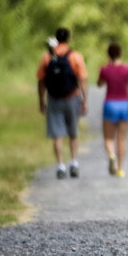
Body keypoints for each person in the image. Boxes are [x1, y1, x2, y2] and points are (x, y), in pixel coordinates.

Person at [37, 27, 88, 179]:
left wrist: (41, 100)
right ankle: (74, 163)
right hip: (72, 97)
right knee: (73, 132)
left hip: (53, 99)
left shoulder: (47, 57)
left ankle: (60, 165)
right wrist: (84, 100)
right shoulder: (75, 56)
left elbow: (41, 81)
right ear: (68, 39)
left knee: (57, 134)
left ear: (56, 39)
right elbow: (82, 79)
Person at [97, 42, 128, 178]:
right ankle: (120, 169)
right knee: (122, 139)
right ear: (120, 53)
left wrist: (106, 70)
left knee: (108, 138)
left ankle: (111, 155)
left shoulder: (105, 69)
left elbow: (99, 84)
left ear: (108, 54)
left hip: (110, 104)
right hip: (125, 104)